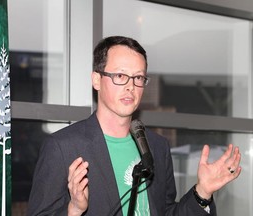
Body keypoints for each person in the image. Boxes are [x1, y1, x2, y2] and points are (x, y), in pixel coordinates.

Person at [27, 36, 241, 216]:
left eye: (138, 77)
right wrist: (74, 209)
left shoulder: (157, 147)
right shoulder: (62, 147)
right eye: (120, 76)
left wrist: (202, 192)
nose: (131, 86)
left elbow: (166, 211)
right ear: (96, 80)